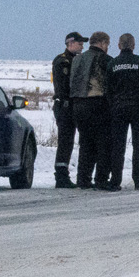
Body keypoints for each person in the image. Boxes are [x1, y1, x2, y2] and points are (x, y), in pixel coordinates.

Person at [105, 33, 139, 191]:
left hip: (118, 109)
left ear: (119, 45)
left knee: (118, 147)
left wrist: (113, 105)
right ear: (133, 45)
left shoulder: (112, 64)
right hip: (138, 109)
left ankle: (115, 181)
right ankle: (138, 181)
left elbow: (108, 89)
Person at [68, 31, 111, 189]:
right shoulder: (105, 60)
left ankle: (83, 179)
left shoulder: (77, 60)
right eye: (107, 44)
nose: (107, 48)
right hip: (98, 103)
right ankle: (101, 179)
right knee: (103, 143)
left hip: (78, 104)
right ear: (102, 43)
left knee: (85, 143)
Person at [50, 31, 84, 188]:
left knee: (69, 141)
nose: (81, 46)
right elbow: (65, 86)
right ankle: (61, 175)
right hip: (65, 105)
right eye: (79, 43)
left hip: (72, 105)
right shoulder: (63, 61)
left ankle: (64, 173)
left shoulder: (75, 60)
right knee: (65, 140)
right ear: (70, 43)